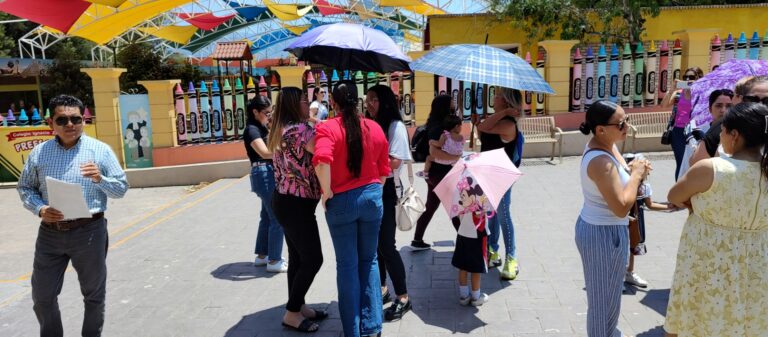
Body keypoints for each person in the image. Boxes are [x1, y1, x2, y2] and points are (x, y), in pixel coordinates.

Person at [17, 94, 129, 337]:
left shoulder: (100, 151)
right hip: (50, 234)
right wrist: (40, 209)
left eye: (76, 119)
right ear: (50, 123)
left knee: (93, 295)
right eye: (63, 119)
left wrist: (100, 179)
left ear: (84, 121)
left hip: (89, 232)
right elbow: (25, 187)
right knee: (43, 296)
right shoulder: (39, 153)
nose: (70, 125)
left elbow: (121, 189)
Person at [664, 102, 768, 337]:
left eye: (722, 130)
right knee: (747, 319)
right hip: (757, 263)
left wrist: (697, 204)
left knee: (698, 318)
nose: (719, 135)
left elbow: (674, 196)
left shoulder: (712, 168)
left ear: (734, 135)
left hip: (709, 259)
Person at [313, 81, 390, 337]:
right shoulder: (375, 127)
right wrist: (373, 192)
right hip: (371, 197)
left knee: (347, 266)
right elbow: (384, 171)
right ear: (357, 101)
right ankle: (372, 327)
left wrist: (326, 193)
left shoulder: (328, 128)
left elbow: (321, 162)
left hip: (342, 201)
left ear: (332, 103)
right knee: (369, 261)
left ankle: (352, 331)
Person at [576, 100, 651, 337]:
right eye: (620, 124)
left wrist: (634, 170)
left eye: (626, 120)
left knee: (610, 298)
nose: (626, 126)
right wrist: (637, 175)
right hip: (601, 234)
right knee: (601, 304)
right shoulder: (600, 160)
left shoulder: (609, 146)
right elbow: (620, 207)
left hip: (610, 230)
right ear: (600, 129)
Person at [267, 87, 326, 332]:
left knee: (298, 258)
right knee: (313, 259)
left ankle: (298, 305)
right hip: (297, 205)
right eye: (304, 100)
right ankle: (292, 312)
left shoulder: (281, 129)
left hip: (284, 201)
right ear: (294, 104)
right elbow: (324, 151)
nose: (309, 103)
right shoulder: (302, 131)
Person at [366, 85, 413, 321]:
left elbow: (395, 162)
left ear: (384, 101)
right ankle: (382, 288)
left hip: (388, 191)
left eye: (373, 99)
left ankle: (403, 296)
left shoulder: (396, 127)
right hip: (372, 188)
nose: (369, 104)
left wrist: (368, 158)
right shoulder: (371, 125)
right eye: (367, 100)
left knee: (386, 245)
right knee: (375, 245)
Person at [475, 87, 525, 280]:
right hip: (488, 172)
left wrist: (500, 115)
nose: (493, 99)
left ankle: (512, 257)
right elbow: (483, 137)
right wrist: (479, 123)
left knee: (503, 214)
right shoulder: (496, 118)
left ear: (506, 101)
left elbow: (484, 128)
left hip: (502, 174)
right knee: (491, 213)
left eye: (496, 96)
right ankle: (493, 250)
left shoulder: (508, 123)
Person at [410, 95, 462, 250]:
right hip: (441, 174)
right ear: (444, 106)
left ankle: (417, 240)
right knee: (453, 207)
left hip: (435, 174)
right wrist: (456, 157)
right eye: (451, 103)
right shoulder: (438, 128)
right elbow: (434, 153)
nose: (453, 105)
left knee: (431, 205)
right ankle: (467, 243)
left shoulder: (438, 123)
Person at [243, 95, 287, 273]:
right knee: (278, 217)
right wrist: (285, 148)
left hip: (266, 173)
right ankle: (275, 260)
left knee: (267, 216)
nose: (269, 116)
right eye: (266, 113)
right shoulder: (252, 130)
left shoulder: (261, 128)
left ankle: (263, 256)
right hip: (264, 173)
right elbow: (264, 152)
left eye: (271, 112)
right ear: (255, 112)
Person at [689, 75, 768, 167]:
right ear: (741, 99)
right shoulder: (724, 124)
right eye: (752, 100)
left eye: (767, 101)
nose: (760, 105)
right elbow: (696, 164)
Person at [677, 88, 734, 179]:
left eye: (729, 106)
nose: (723, 110)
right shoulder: (697, 133)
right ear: (710, 109)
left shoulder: (738, 135)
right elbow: (686, 167)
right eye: (718, 106)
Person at [452, 176, 492, 307]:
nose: (462, 197)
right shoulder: (483, 199)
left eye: (464, 195)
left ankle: (464, 296)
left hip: (463, 234)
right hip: (478, 237)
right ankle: (476, 296)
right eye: (462, 195)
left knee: (463, 266)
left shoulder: (459, 203)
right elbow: (489, 211)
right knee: (476, 268)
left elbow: (457, 217)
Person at [661, 67, 704, 180]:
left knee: (693, 161)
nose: (688, 79)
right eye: (686, 77)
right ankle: (679, 191)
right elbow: (664, 105)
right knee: (680, 162)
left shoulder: (701, 94)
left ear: (699, 79)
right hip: (678, 131)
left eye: (692, 77)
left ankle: (690, 189)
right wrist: (671, 89)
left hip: (694, 131)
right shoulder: (678, 93)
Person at [419, 114, 464, 178]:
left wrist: (431, 142)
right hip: (456, 160)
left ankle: (425, 173)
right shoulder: (461, 137)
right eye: (461, 126)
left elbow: (439, 144)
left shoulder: (445, 135)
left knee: (428, 158)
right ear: (457, 126)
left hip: (445, 160)